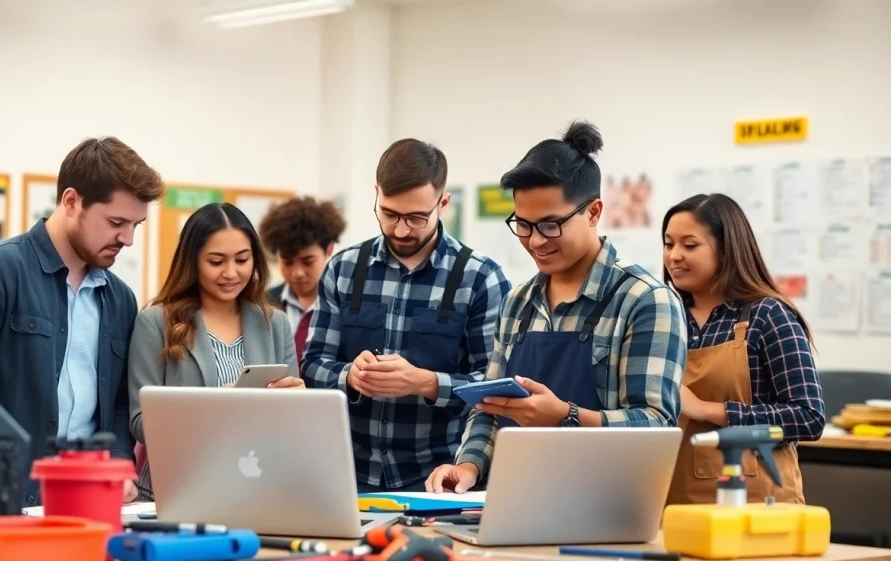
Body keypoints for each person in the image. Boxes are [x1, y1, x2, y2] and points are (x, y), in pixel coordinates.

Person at [426, 120, 686, 494]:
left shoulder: (644, 300)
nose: (534, 241)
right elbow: (488, 408)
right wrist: (468, 465)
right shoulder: (518, 302)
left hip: (608, 509)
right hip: (515, 499)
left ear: (594, 212)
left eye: (549, 225)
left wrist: (567, 416)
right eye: (523, 225)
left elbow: (657, 426)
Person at [0, 137, 165, 509]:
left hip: (74, 498)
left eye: (136, 225)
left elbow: (116, 404)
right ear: (71, 202)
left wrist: (118, 464)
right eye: (116, 222)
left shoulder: (120, 300)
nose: (128, 239)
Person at [302, 138, 512, 493]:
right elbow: (312, 365)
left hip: (437, 482)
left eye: (416, 218)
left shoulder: (480, 278)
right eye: (389, 213)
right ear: (377, 194)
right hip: (347, 477)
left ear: (443, 203)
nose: (401, 230)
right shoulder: (343, 269)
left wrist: (426, 382)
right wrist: (351, 376)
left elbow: (496, 386)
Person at [128, 202, 304, 500]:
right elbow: (139, 422)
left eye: (242, 259)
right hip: (176, 491)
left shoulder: (275, 323)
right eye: (216, 261)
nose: (231, 273)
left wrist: (298, 403)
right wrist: (213, 408)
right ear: (192, 261)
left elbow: (292, 424)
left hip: (255, 487)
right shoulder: (157, 323)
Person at [662, 193, 824, 505]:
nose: (674, 256)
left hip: (757, 505)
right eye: (669, 244)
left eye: (689, 245)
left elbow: (808, 417)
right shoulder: (664, 317)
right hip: (674, 504)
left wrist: (706, 409)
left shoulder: (768, 315)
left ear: (726, 250)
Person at [258, 196, 347, 363]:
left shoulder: (345, 305)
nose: (297, 273)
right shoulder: (262, 303)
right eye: (287, 261)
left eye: (308, 261)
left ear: (329, 249)